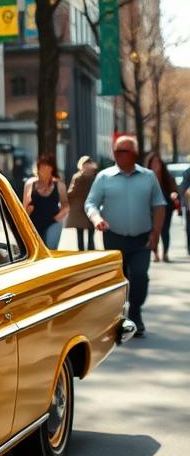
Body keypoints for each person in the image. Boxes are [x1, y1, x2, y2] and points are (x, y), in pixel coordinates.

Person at [85, 135, 167, 338]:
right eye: (116, 151)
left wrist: (156, 232)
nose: (118, 155)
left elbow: (159, 205)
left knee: (139, 276)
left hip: (141, 238)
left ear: (134, 154)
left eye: (123, 151)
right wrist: (96, 219)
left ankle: (136, 313)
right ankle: (120, 316)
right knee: (119, 280)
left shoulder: (148, 177)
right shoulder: (104, 177)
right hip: (114, 237)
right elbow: (91, 203)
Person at [23, 154, 69, 248]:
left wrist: (57, 218)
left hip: (53, 223)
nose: (44, 170)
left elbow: (66, 206)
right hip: (33, 224)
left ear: (52, 169)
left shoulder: (59, 185)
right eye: (42, 167)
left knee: (50, 250)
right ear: (38, 168)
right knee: (35, 251)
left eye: (48, 167)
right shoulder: (30, 184)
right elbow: (23, 207)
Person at [142, 151, 180, 262]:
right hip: (150, 208)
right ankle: (155, 253)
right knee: (154, 230)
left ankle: (166, 252)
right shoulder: (145, 178)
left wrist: (174, 194)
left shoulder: (167, 177)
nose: (156, 165)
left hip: (166, 206)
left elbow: (174, 189)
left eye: (157, 163)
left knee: (165, 230)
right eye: (153, 163)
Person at [66, 156, 99, 251]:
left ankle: (83, 256)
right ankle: (90, 255)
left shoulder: (78, 177)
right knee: (89, 235)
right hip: (90, 208)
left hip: (80, 209)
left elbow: (71, 192)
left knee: (81, 236)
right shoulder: (95, 176)